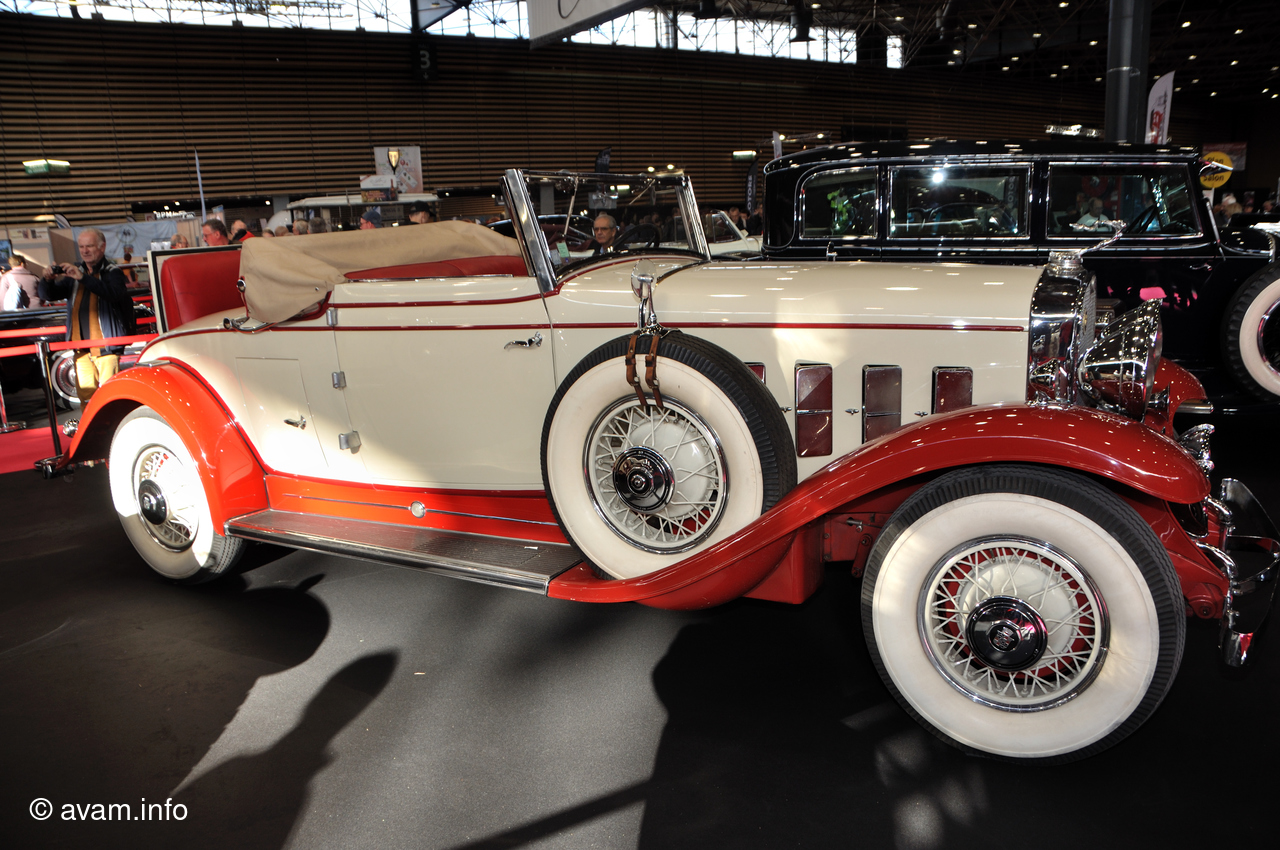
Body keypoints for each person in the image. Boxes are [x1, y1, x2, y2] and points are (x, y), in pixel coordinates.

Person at [38, 227, 135, 402]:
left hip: (107, 347)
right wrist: (47, 280)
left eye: (89, 246)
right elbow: (48, 295)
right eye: (81, 247)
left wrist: (82, 277)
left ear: (102, 247)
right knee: (85, 398)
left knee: (111, 396)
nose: (85, 251)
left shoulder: (113, 272)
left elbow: (113, 294)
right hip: (81, 348)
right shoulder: (75, 273)